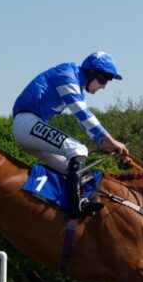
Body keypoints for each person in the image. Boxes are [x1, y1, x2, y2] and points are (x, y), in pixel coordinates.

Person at [12, 52, 130, 218]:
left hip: (31, 125)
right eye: (103, 80)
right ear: (90, 72)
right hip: (26, 123)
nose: (103, 86)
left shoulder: (77, 86)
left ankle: (58, 213)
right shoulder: (66, 75)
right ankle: (77, 207)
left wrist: (106, 143)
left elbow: (85, 125)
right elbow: (82, 113)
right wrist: (111, 140)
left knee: (73, 170)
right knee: (79, 149)